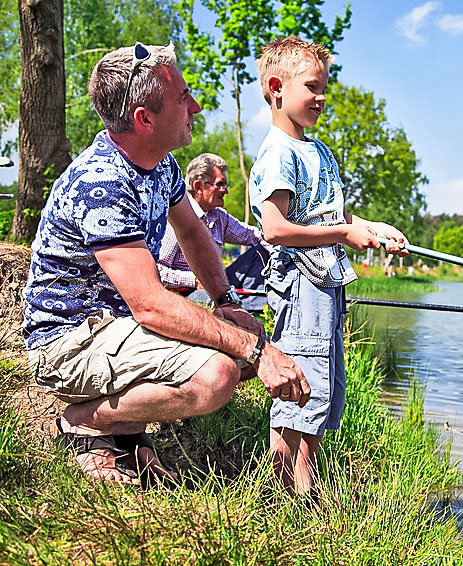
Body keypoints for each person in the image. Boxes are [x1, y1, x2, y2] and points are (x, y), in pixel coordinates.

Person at [22, 42, 309, 487]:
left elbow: (194, 233)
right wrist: (257, 351)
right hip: (70, 339)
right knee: (219, 373)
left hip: (119, 328)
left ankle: (127, 428)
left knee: (244, 336)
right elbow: (151, 305)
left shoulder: (161, 165)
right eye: (183, 98)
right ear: (144, 118)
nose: (195, 105)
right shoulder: (102, 182)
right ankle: (86, 421)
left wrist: (227, 301)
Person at [249, 36, 408, 495]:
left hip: (327, 283)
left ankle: (304, 483)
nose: (322, 98)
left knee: (325, 385)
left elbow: (331, 216)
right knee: (300, 381)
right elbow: (276, 229)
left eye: (324, 88)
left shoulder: (318, 151)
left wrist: (371, 227)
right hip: (299, 286)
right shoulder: (278, 151)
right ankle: (279, 489)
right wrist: (342, 235)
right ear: (277, 88)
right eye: (312, 87)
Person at [158, 153, 271, 311]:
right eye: (220, 185)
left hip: (213, 286)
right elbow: (157, 272)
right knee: (211, 299)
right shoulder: (175, 218)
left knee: (260, 252)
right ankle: (246, 307)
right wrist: (193, 280)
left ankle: (260, 304)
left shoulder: (218, 216)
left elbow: (254, 236)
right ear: (199, 187)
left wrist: (283, 245)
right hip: (184, 295)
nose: (226, 192)